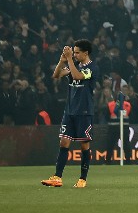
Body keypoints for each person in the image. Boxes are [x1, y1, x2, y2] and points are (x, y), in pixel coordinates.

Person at [41, 39, 100, 188]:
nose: (74, 55)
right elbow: (56, 75)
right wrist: (62, 61)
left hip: (84, 111)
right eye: (73, 52)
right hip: (70, 110)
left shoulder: (92, 67)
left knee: (84, 145)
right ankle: (57, 177)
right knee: (64, 142)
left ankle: (82, 179)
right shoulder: (74, 65)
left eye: (77, 52)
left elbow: (78, 76)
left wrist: (69, 60)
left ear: (86, 53)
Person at [105, 85, 132, 165]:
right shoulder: (110, 105)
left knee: (126, 145)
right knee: (110, 145)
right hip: (113, 128)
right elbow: (107, 116)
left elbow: (132, 116)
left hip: (124, 127)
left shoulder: (128, 105)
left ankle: (128, 161)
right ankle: (108, 161)